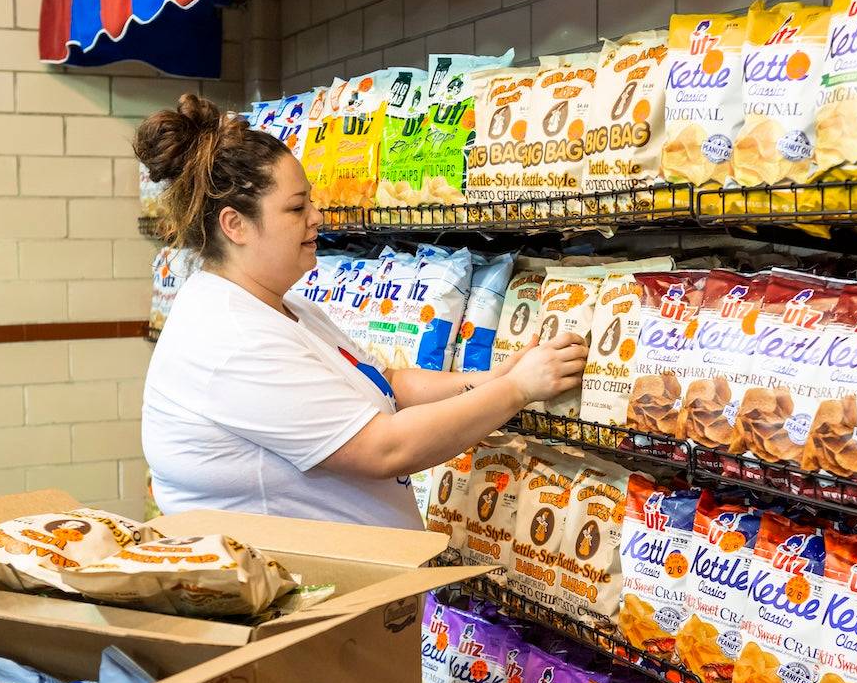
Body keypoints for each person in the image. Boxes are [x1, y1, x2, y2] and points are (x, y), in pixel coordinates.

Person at [136, 94, 587, 530]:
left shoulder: (281, 308)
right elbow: (383, 448)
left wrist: (491, 380)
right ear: (235, 225)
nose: (317, 217)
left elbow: (387, 382)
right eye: (296, 207)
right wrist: (516, 390)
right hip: (300, 595)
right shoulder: (232, 341)